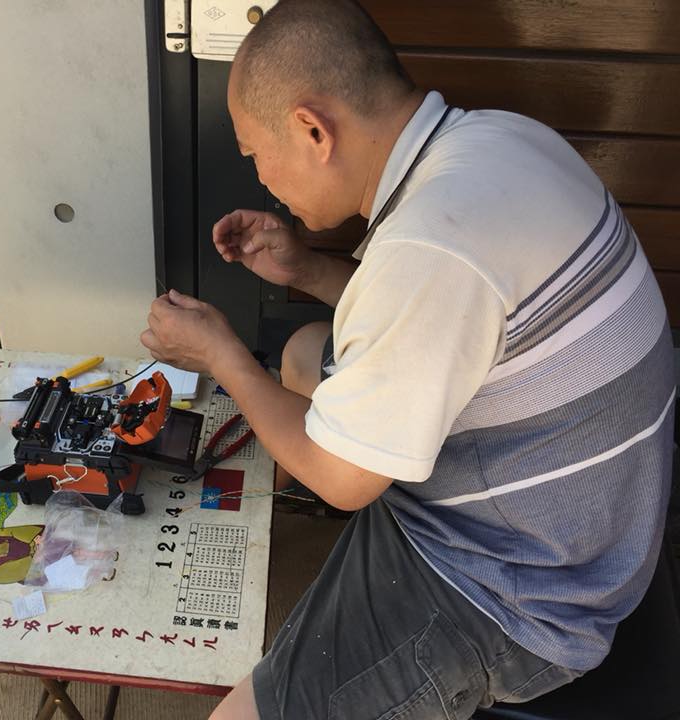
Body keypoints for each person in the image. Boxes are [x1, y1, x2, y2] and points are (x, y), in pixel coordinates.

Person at [139, 1, 675, 718]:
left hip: (520, 586)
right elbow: (443, 318)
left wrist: (222, 355)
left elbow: (343, 481)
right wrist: (306, 270)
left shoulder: (430, 247)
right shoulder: (497, 139)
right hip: (588, 507)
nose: (261, 178)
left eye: (256, 152)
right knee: (305, 351)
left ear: (312, 130)